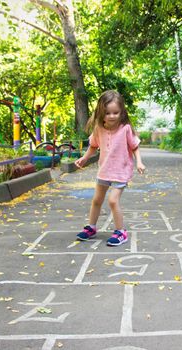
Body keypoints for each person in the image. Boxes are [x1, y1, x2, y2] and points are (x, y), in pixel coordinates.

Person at [74, 90, 146, 246]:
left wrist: (139, 162)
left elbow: (134, 146)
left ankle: (121, 232)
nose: (112, 116)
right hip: (104, 170)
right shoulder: (99, 128)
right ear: (101, 112)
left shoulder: (125, 128)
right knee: (96, 200)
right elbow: (93, 145)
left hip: (121, 171)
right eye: (107, 113)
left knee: (113, 201)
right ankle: (91, 227)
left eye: (116, 112)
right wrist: (85, 158)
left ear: (121, 112)